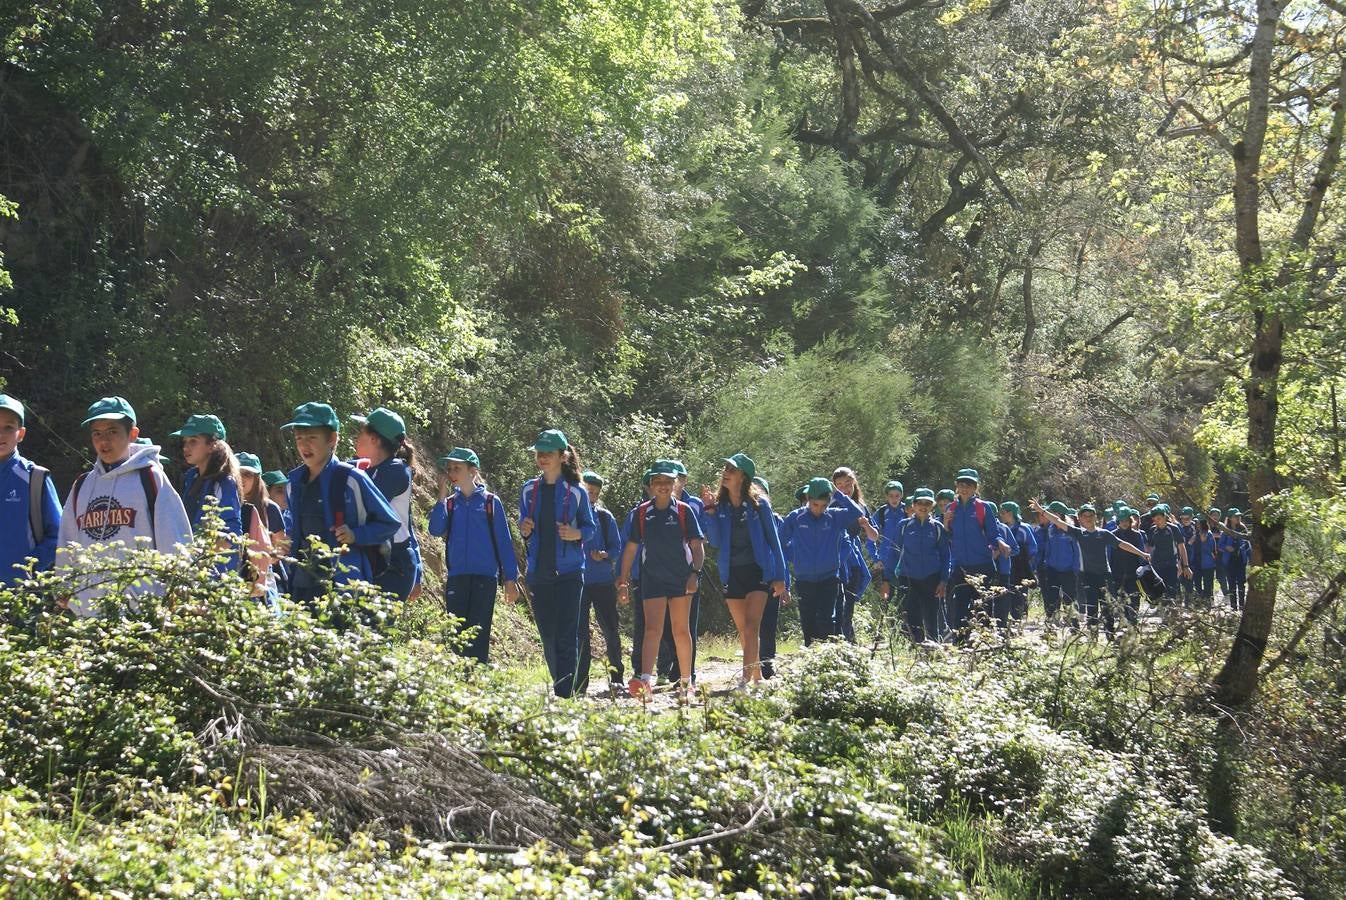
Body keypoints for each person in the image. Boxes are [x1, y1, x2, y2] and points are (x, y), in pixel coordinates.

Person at [57, 396, 192, 616]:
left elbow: (175, 541)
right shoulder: (82, 485)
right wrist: (65, 589)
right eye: (97, 433)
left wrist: (176, 595)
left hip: (140, 612)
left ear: (132, 434)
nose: (104, 441)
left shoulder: (150, 478)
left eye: (112, 431)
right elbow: (67, 541)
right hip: (88, 614)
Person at [279, 402, 401, 612]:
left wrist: (356, 535)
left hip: (344, 584)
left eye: (312, 438)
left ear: (332, 439)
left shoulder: (351, 478)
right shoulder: (294, 483)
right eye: (299, 438)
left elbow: (390, 523)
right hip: (302, 582)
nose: (304, 445)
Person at [617, 460, 705, 704]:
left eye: (668, 482)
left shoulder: (685, 511)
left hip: (680, 578)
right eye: (658, 482)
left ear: (674, 483)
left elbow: (697, 547)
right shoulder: (642, 512)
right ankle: (645, 681)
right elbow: (631, 549)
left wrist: (694, 574)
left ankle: (687, 683)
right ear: (651, 486)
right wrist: (622, 582)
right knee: (652, 629)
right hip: (652, 578)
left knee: (680, 630)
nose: (664, 486)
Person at [518, 429, 596, 699]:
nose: (542, 458)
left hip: (570, 572)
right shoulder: (529, 489)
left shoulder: (577, 492)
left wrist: (577, 534)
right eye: (539, 453)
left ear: (562, 457)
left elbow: (590, 528)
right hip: (539, 572)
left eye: (547, 454)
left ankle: (566, 692)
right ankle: (563, 685)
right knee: (548, 635)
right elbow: (524, 526)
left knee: (566, 634)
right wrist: (524, 528)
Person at [701, 454, 789, 689]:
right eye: (726, 467)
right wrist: (709, 511)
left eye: (733, 469)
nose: (726, 471)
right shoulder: (721, 506)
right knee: (744, 630)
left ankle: (745, 679)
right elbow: (717, 542)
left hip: (758, 571)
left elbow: (774, 541)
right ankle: (757, 675)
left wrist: (781, 577)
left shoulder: (760, 505)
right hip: (732, 573)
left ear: (744, 477)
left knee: (751, 627)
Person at [429, 447, 520, 663]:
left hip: (485, 578)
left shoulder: (490, 502)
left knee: (478, 633)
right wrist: (441, 497)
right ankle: (457, 686)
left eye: (457, 468)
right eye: (449, 468)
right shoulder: (450, 503)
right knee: (456, 634)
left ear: (472, 471)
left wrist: (510, 579)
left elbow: (504, 542)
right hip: (457, 577)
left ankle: (475, 684)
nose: (452, 472)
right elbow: (434, 529)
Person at [778, 478, 880, 645]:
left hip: (829, 578)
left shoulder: (834, 516)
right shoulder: (796, 518)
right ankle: (810, 658)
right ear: (808, 500)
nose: (819, 510)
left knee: (827, 619)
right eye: (815, 505)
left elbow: (857, 513)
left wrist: (838, 494)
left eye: (824, 505)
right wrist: (795, 558)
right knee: (808, 620)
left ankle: (826, 656)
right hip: (805, 579)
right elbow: (780, 544)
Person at [1032, 500, 1149, 636]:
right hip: (1087, 576)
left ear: (1095, 517)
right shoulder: (1078, 533)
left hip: (1105, 575)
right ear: (1080, 518)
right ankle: (1093, 638)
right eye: (1085, 516)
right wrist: (1041, 510)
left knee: (1107, 607)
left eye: (1090, 515)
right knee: (1092, 608)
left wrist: (1142, 553)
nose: (1088, 518)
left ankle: (1109, 635)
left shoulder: (1104, 533)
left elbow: (1122, 544)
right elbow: (1058, 521)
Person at [351, 407, 423, 604]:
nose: (356, 437)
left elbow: (364, 506)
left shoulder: (396, 471)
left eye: (361, 433)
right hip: (376, 558)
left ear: (374, 439)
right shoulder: (369, 468)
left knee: (374, 630)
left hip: (393, 564)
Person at [0, 394, 61, 586]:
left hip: (21, 598)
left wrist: (28, 572)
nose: (0, 434)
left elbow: (59, 534)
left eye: (8, 428)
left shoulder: (35, 478)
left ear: (21, 433)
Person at [170, 414, 244, 571]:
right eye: (185, 442)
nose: (185, 447)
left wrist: (201, 565)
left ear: (212, 446)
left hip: (214, 576)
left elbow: (231, 534)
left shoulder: (224, 482)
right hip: (190, 570)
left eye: (193, 441)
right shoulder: (191, 478)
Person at [942, 469, 1009, 639]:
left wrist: (1001, 543)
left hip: (982, 563)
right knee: (960, 605)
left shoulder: (982, 508)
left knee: (984, 605)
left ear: (975, 488)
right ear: (956, 487)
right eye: (961, 485)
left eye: (969, 485)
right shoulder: (951, 508)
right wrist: (945, 523)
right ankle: (960, 643)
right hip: (960, 565)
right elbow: (948, 535)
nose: (964, 488)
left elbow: (993, 534)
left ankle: (984, 641)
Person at [576, 470, 624, 695]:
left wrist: (604, 554)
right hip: (578, 581)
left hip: (603, 581)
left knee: (611, 630)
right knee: (579, 633)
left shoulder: (605, 518)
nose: (591, 495)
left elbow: (617, 549)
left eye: (595, 492)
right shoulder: (572, 517)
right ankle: (580, 682)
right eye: (588, 491)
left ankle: (617, 678)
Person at [890, 488, 949, 644]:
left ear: (932, 506)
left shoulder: (937, 527)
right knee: (911, 615)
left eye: (927, 503)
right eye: (919, 503)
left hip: (932, 577)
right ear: (913, 505)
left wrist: (944, 580)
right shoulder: (904, 526)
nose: (923, 506)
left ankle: (934, 648)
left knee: (931, 615)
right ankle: (914, 649)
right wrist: (889, 577)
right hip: (908, 577)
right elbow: (894, 551)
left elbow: (945, 555)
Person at [830, 466, 872, 643]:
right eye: (839, 485)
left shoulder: (861, 506)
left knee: (849, 604)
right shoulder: (832, 506)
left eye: (848, 484)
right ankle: (842, 642)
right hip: (836, 559)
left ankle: (849, 643)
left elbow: (874, 536)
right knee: (838, 605)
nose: (844, 488)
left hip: (854, 559)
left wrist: (866, 526)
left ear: (854, 483)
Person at [752, 475, 788, 678]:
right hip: (752, 577)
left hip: (773, 579)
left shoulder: (778, 521)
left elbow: (780, 552)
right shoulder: (745, 518)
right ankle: (752, 664)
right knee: (751, 624)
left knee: (769, 623)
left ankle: (767, 664)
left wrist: (785, 584)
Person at [235, 452, 280, 605]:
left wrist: (267, 553)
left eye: (247, 474)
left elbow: (282, 546)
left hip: (265, 578)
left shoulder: (270, 508)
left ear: (257, 478)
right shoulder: (231, 506)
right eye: (238, 473)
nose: (242, 478)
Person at [1038, 501, 1081, 627]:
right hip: (1052, 569)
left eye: (1051, 512)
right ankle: (1052, 623)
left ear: (1058, 514)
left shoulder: (1070, 529)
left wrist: (1075, 568)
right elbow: (1048, 547)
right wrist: (1047, 562)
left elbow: (1076, 551)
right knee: (1052, 597)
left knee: (1070, 598)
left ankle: (1074, 624)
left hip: (1068, 570)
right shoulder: (1051, 529)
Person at [1144, 504, 1191, 608]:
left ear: (1165, 517)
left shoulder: (1173, 529)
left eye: (1159, 519)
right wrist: (1148, 564)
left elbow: (1182, 548)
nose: (1157, 521)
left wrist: (1185, 566)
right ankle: (1163, 615)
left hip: (1171, 564)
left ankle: (1172, 614)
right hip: (1157, 565)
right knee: (1160, 592)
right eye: (1154, 519)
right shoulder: (1152, 530)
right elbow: (1150, 548)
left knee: (1171, 591)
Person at [998, 501, 1037, 623]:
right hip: (1006, 564)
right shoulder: (1000, 528)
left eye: (1003, 512)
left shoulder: (1024, 528)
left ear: (1011, 513)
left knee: (1020, 592)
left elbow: (1033, 547)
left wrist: (1027, 563)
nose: (1001, 515)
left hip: (1021, 566)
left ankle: (1020, 617)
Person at [1112, 508, 1147, 626]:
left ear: (1130, 520)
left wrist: (1143, 568)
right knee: (1120, 598)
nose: (1124, 523)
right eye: (1121, 520)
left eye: (1126, 520)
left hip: (1133, 572)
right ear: (1118, 521)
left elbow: (1142, 552)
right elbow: (1108, 554)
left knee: (1134, 597)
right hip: (1117, 572)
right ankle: (1124, 621)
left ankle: (1133, 622)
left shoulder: (1137, 535)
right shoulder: (1112, 535)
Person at [1213, 508, 1251, 610]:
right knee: (1232, 584)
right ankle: (1234, 607)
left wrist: (1249, 560)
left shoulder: (1243, 529)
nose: (1238, 518)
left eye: (1239, 516)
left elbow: (1248, 546)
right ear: (1230, 518)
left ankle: (1242, 606)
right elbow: (1220, 545)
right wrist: (1226, 547)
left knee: (1241, 584)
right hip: (1229, 561)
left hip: (1241, 561)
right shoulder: (1226, 531)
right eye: (1235, 516)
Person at [261, 469, 292, 593]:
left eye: (286, 490)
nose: (285, 495)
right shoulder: (259, 515)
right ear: (266, 492)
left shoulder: (291, 515)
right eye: (279, 491)